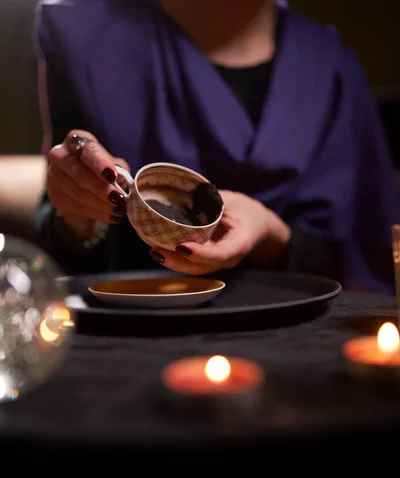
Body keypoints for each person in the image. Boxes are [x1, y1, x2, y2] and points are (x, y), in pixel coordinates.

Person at [34, 0, 400, 294]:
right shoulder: (83, 40)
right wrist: (79, 221)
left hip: (300, 334)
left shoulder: (333, 67)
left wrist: (275, 238)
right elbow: (56, 250)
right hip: (133, 328)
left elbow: (369, 258)